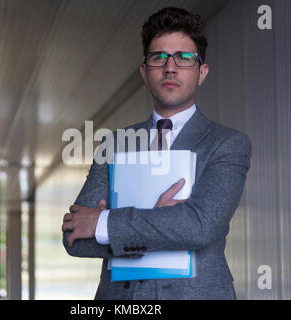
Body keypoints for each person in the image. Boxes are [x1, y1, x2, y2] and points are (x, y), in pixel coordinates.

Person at [61, 7, 252, 300]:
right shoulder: (113, 145)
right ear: (144, 71)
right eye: (158, 57)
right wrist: (164, 222)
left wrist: (103, 222)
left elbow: (200, 227)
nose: (170, 67)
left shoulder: (227, 144)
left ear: (202, 73)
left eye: (184, 58)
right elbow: (75, 237)